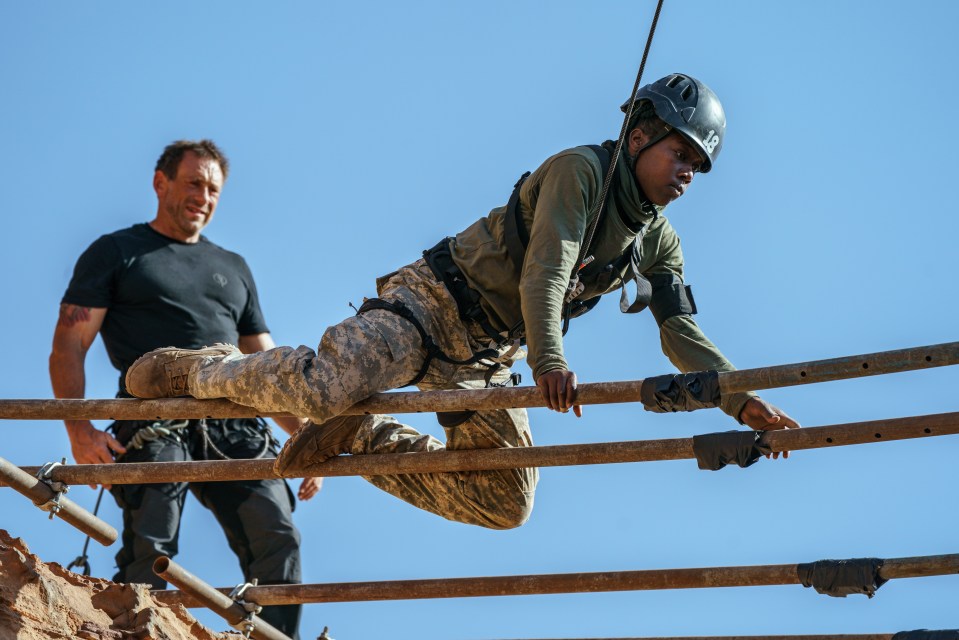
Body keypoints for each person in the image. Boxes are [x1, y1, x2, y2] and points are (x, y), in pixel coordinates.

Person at [125, 74, 799, 531]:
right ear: (638, 134)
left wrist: (739, 397)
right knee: (324, 386)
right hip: (432, 306)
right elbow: (547, 268)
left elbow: (678, 326)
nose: (685, 172)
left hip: (486, 356)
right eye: (678, 152)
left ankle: (363, 436)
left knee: (504, 499)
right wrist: (551, 359)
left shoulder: (657, 240)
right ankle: (198, 368)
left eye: (697, 164)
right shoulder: (582, 172)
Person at [49, 140, 317, 638]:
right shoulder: (117, 252)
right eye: (194, 182)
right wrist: (79, 430)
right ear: (160, 183)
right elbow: (68, 345)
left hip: (235, 423)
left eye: (213, 188)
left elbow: (265, 363)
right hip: (151, 419)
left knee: (278, 539)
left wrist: (304, 433)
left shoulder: (233, 267)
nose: (204, 196)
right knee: (152, 546)